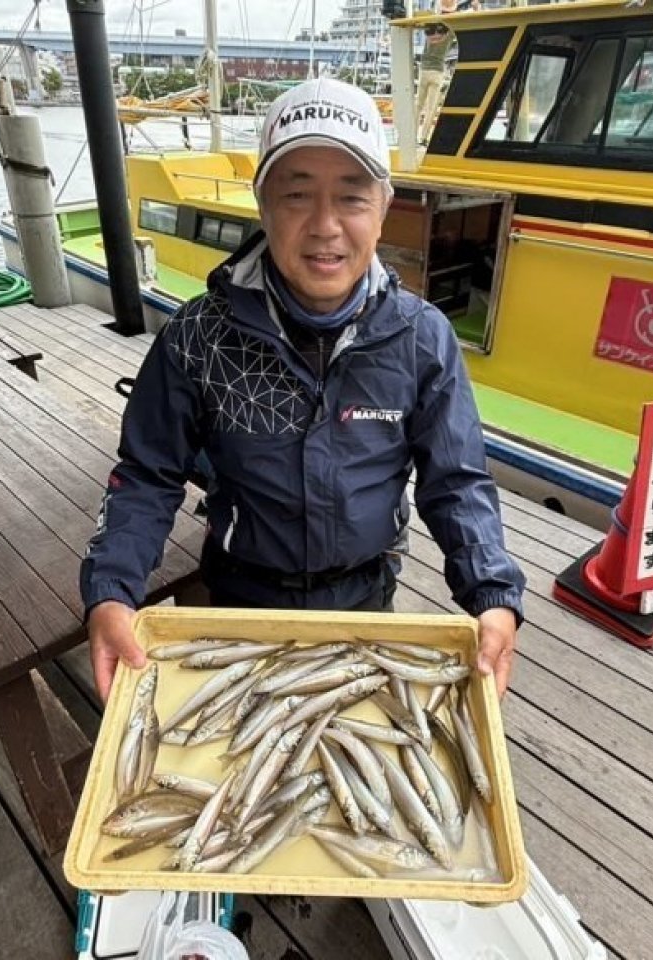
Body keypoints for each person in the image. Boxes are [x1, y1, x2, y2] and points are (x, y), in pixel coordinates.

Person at [81, 77, 526, 704]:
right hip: (238, 601)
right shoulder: (196, 336)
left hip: (367, 600)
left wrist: (492, 595)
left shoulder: (423, 337)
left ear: (384, 205)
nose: (325, 226)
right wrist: (111, 590)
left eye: (351, 196)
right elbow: (146, 475)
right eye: (296, 195)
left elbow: (456, 480)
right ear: (262, 204)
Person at [416, 0, 458, 144]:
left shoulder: (430, 25)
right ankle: (423, 138)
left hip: (424, 69)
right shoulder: (451, 30)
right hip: (438, 70)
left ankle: (411, 135)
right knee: (431, 108)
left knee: (418, 105)